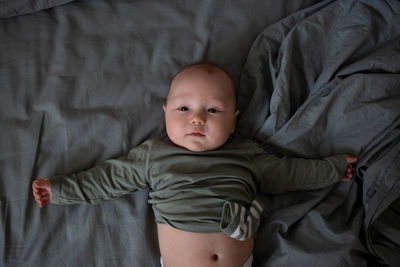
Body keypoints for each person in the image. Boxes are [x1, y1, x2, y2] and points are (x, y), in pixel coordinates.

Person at [32, 62, 357, 267]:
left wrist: (331, 168)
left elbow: (289, 174)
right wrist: (60, 189)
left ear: (233, 122)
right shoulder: (154, 154)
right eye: (184, 108)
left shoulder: (247, 154)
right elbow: (108, 179)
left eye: (213, 110)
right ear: (165, 112)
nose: (198, 118)